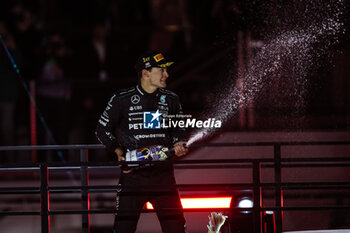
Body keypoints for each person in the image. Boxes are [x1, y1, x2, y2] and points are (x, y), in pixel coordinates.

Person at [95, 51, 188, 233]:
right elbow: (101, 130)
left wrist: (179, 142)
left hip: (164, 177)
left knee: (176, 229)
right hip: (132, 178)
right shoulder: (121, 98)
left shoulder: (172, 99)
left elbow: (179, 129)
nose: (166, 75)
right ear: (146, 73)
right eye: (161, 71)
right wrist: (119, 153)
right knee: (123, 229)